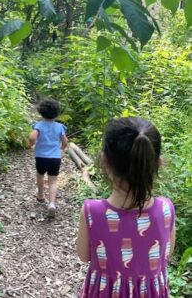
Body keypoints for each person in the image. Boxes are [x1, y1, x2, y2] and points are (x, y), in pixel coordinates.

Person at [76, 117, 175, 297]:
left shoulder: (93, 211)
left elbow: (84, 256)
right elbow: (167, 252)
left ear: (105, 162)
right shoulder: (166, 209)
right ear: (158, 164)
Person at [29, 99, 68, 218]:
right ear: (57, 113)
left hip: (41, 156)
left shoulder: (38, 125)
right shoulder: (60, 126)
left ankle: (40, 195)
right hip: (55, 157)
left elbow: (32, 137)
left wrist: (30, 144)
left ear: (41, 112)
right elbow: (65, 141)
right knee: (53, 180)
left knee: (40, 175)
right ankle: (51, 203)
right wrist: (62, 147)